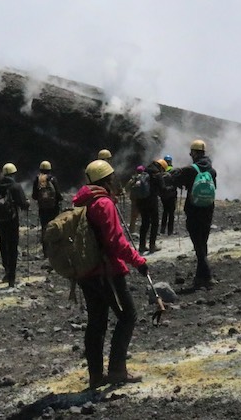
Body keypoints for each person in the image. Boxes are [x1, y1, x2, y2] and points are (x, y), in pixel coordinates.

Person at [73, 159, 148, 389]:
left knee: (96, 321)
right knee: (127, 316)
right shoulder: (104, 204)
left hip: (87, 272)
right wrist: (138, 261)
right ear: (106, 180)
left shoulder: (82, 202)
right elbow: (115, 242)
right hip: (107, 272)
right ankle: (117, 370)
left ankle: (96, 375)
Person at [170, 139, 218, 290]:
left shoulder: (190, 170)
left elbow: (175, 181)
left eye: (191, 152)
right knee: (202, 242)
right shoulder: (212, 170)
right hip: (208, 210)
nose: (190, 155)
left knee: (197, 244)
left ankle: (208, 277)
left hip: (193, 211)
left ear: (195, 153)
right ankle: (199, 279)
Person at [0, 163, 30, 287]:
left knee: (3, 243)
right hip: (12, 221)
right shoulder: (15, 187)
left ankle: (6, 270)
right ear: (13, 174)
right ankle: (12, 277)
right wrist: (26, 204)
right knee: (12, 247)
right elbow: (23, 204)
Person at [31, 160, 63, 237]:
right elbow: (58, 194)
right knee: (54, 225)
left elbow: (34, 196)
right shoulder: (52, 179)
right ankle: (54, 243)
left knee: (44, 226)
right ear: (50, 169)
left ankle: (45, 244)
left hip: (42, 208)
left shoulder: (37, 180)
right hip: (54, 208)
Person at [159, 156, 178, 236]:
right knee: (171, 213)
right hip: (172, 194)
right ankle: (170, 231)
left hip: (164, 195)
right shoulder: (173, 170)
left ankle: (162, 230)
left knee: (165, 212)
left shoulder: (161, 170)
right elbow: (176, 182)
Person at [123, 166, 145, 231]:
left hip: (134, 199)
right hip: (143, 199)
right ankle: (143, 231)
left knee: (133, 216)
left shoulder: (133, 179)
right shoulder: (144, 179)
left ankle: (132, 230)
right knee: (144, 216)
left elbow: (126, 188)